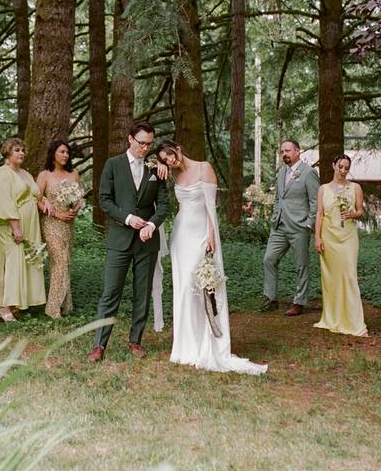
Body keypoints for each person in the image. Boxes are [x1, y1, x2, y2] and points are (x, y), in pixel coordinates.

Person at [156, 141, 267, 374]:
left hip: (201, 235)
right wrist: (158, 164)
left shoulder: (203, 168)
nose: (171, 162)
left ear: (178, 148)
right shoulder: (172, 173)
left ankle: (208, 342)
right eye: (166, 161)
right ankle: (186, 346)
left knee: (200, 287)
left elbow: (210, 205)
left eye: (171, 156)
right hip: (181, 234)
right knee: (183, 288)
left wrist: (211, 234)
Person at [88, 121, 169, 362]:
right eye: (141, 143)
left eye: (149, 144)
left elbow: (164, 204)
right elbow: (104, 200)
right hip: (119, 238)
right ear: (130, 139)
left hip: (147, 241)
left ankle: (136, 341)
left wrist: (152, 224)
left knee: (142, 294)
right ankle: (99, 345)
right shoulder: (113, 165)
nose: (145, 148)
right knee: (110, 292)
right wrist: (127, 218)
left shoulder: (157, 168)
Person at [0, 138, 47, 322]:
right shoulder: (2, 174)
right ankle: (4, 307)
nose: (21, 153)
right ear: (7, 152)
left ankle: (15, 304)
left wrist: (46, 203)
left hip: (28, 224)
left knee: (22, 263)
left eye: (22, 150)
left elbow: (36, 194)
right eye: (16, 150)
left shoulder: (25, 174)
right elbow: (4, 202)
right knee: (10, 264)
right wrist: (16, 227)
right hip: (8, 225)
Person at [261, 140, 320, 316]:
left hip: (299, 227)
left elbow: (315, 201)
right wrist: (274, 215)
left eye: (287, 150)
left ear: (297, 151)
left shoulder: (308, 173)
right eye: (282, 151)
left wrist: (309, 223)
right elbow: (279, 198)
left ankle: (299, 301)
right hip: (279, 226)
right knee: (268, 260)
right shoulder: (281, 172)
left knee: (301, 265)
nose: (284, 154)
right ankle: (270, 298)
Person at [313, 153, 368, 337]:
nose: (343, 171)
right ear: (334, 165)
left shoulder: (356, 188)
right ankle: (332, 317)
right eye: (340, 166)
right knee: (331, 278)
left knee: (349, 275)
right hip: (329, 236)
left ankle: (353, 321)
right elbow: (320, 214)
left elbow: (361, 211)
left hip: (348, 237)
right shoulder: (323, 189)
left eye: (346, 168)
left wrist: (352, 214)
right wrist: (317, 238)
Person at [36, 140, 82, 319]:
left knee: (66, 261)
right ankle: (53, 308)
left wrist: (75, 209)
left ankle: (66, 305)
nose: (65, 155)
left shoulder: (74, 174)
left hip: (68, 223)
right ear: (53, 153)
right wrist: (56, 213)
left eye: (67, 153)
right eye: (62, 152)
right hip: (51, 223)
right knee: (60, 261)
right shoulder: (44, 175)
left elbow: (80, 197)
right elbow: (37, 199)